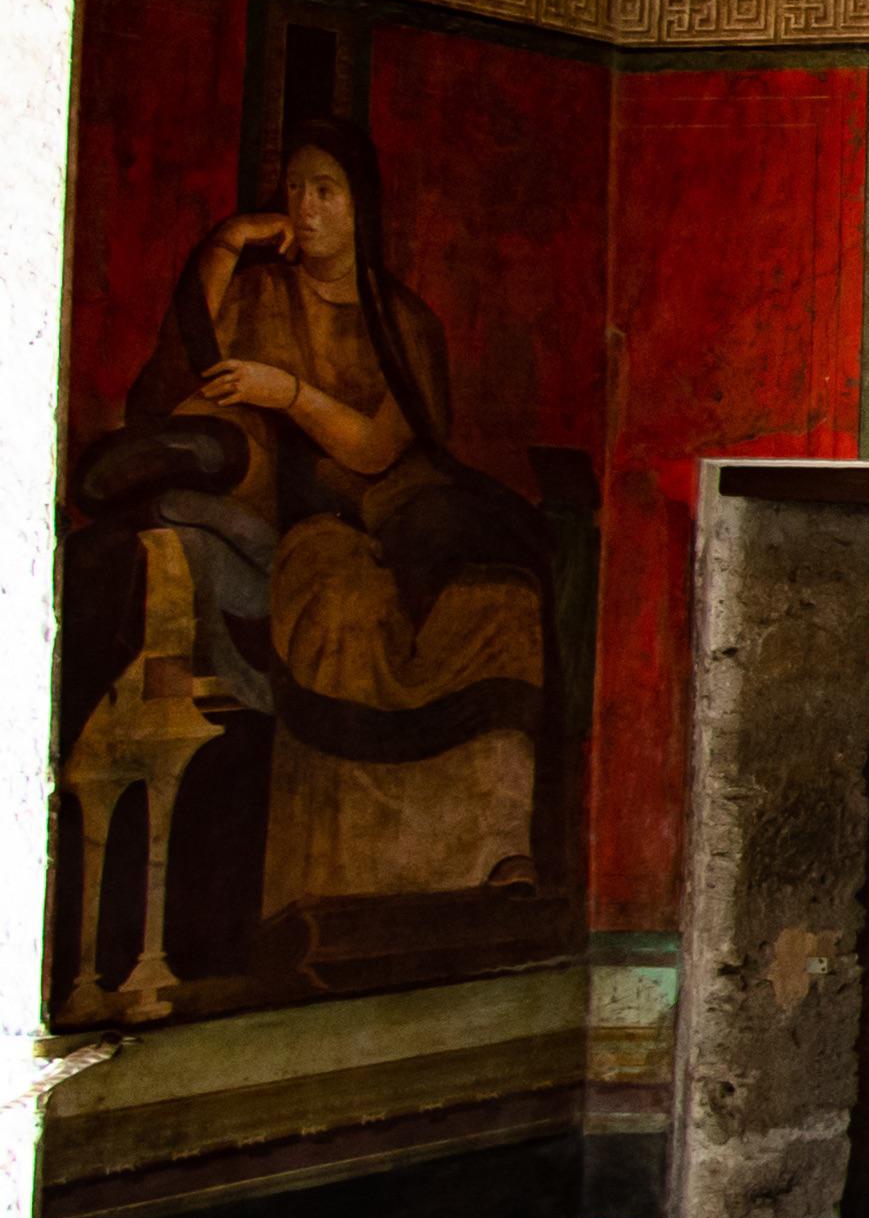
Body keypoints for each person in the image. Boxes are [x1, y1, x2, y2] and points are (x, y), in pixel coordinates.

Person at [67, 114, 561, 923]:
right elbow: (158, 395)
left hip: (409, 523)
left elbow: (375, 449)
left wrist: (285, 391)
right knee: (341, 608)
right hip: (312, 530)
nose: (305, 206)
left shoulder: (405, 323)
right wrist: (225, 244)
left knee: (499, 603)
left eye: (326, 190)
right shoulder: (259, 293)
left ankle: (488, 851)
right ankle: (343, 882)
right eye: (294, 188)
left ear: (362, 206)